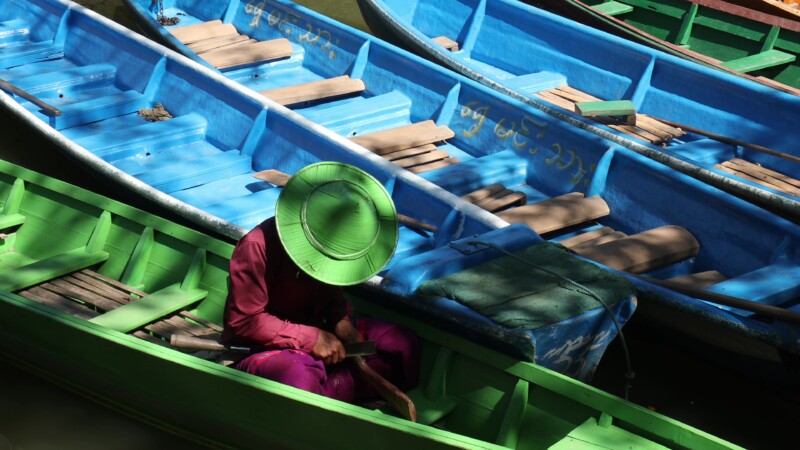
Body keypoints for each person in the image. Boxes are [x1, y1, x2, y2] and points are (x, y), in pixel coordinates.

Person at [221, 162, 420, 404]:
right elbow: (244, 322)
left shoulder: (332, 252)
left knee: (401, 342)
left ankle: (328, 390)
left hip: (320, 333)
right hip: (263, 347)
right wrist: (311, 338)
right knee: (298, 379)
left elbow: (330, 287)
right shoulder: (257, 246)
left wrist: (340, 319)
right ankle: (329, 394)